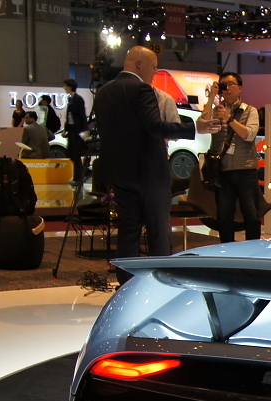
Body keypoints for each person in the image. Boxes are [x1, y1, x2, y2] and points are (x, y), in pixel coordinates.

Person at [93, 45, 217, 270]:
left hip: (119, 173)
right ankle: (159, 281)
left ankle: (127, 281)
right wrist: (194, 128)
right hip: (149, 173)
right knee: (158, 231)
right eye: (153, 67)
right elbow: (156, 127)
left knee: (128, 231)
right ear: (139, 64)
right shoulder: (142, 89)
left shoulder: (104, 92)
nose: (155, 72)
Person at [206, 71, 261, 243]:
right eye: (224, 85)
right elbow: (202, 124)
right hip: (222, 170)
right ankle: (226, 251)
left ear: (240, 88)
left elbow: (249, 134)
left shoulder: (250, 111)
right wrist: (211, 98)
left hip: (246, 170)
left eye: (231, 84)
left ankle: (253, 250)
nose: (227, 88)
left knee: (251, 216)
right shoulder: (216, 111)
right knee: (224, 217)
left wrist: (229, 119)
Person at [62, 78, 88, 184]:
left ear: (69, 86)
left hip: (78, 131)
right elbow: (69, 116)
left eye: (65, 85)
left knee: (76, 155)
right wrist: (66, 129)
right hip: (72, 131)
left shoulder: (78, 99)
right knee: (70, 154)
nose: (64, 87)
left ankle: (78, 178)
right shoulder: (70, 99)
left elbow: (82, 115)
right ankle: (79, 175)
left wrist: (85, 130)